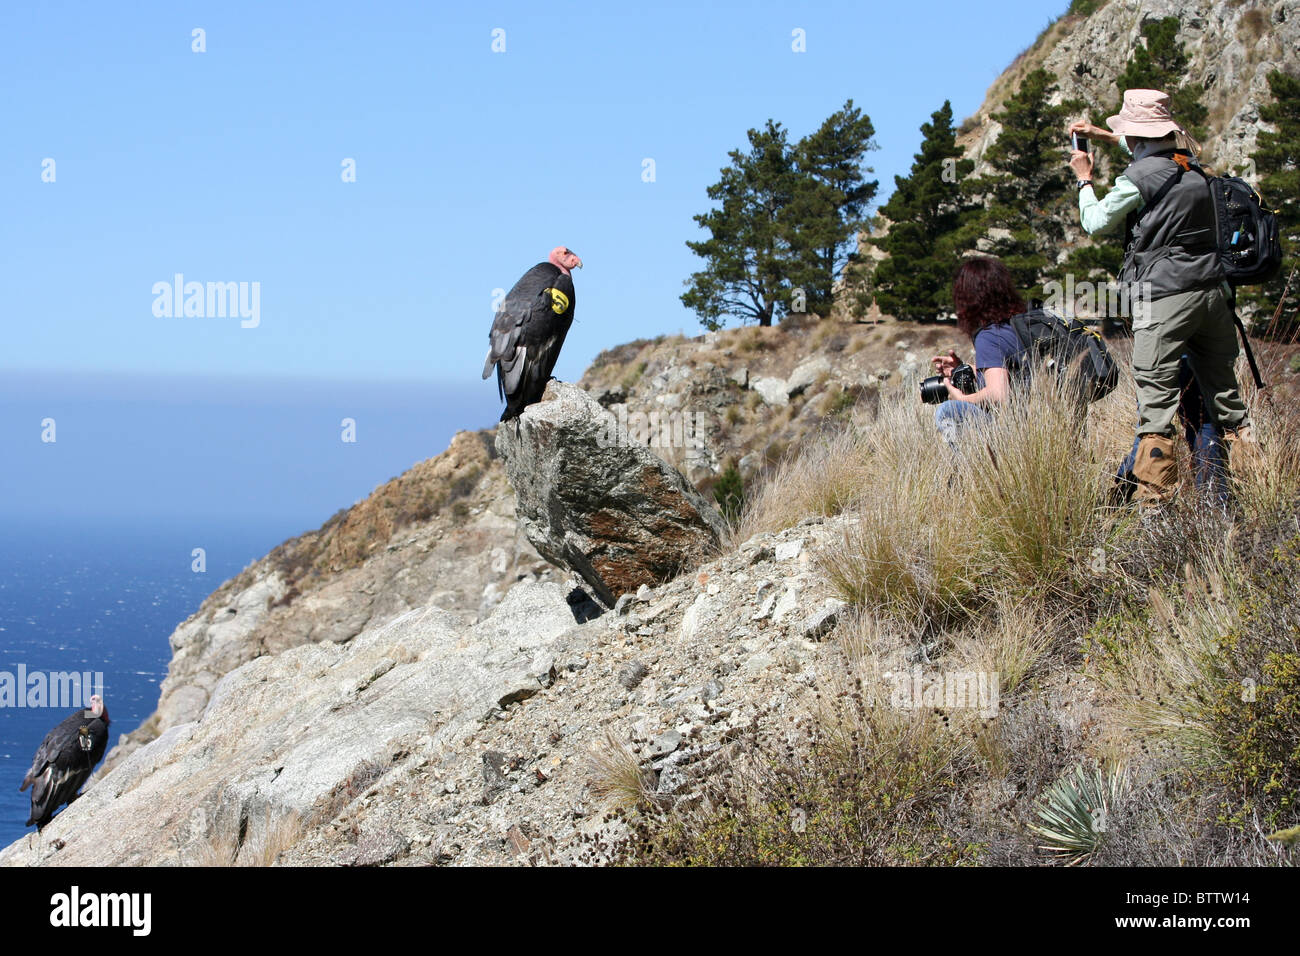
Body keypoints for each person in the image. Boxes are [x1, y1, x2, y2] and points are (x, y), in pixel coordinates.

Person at [1068, 88, 1256, 506]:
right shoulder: (1193, 169)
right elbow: (1148, 149)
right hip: (1215, 295)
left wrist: (1084, 179)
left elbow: (1095, 222)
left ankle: (1156, 511)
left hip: (1165, 298)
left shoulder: (1138, 177)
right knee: (1227, 404)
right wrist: (1103, 135)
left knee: (1156, 410)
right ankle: (1255, 491)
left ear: (1135, 136)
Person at [930, 256, 1030, 445]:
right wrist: (965, 369)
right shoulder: (1019, 325)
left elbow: (999, 395)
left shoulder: (989, 336)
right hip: (1040, 421)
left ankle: (970, 472)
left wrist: (962, 398)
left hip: (1018, 432)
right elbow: (1018, 375)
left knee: (949, 410)